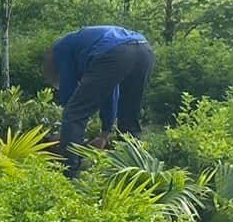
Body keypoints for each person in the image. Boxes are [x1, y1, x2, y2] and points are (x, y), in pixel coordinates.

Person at [45, 25, 153, 172]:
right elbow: (110, 92)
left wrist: (66, 134)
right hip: (143, 49)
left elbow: (69, 94)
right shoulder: (82, 44)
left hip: (115, 51)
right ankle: (134, 171)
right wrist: (104, 134)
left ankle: (70, 171)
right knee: (129, 116)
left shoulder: (60, 49)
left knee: (74, 113)